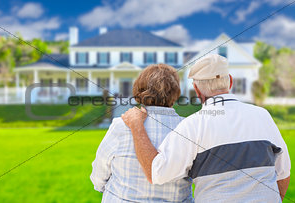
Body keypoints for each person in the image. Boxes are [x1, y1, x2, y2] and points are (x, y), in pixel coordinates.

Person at [121, 54, 291, 202]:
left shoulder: (192, 125)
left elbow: (156, 173)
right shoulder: (262, 115)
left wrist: (137, 126)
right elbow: (283, 173)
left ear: (196, 89)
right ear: (230, 81)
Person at [90, 64, 194, 202]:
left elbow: (99, 175)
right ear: (175, 92)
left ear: (139, 90)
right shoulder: (190, 128)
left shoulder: (121, 126)